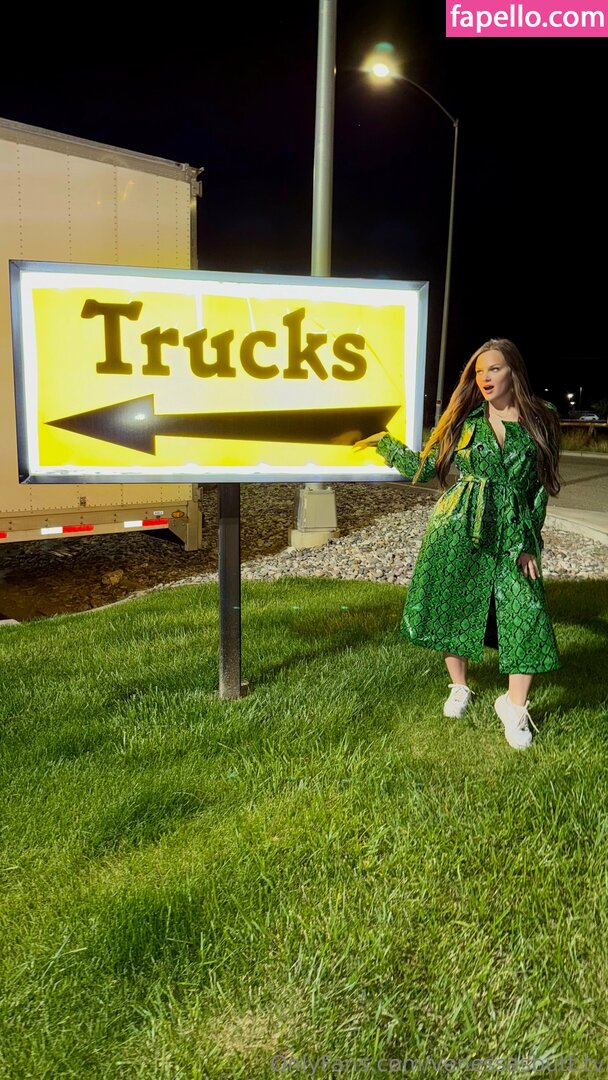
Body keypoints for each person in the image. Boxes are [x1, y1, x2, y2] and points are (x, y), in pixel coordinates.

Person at [353, 338, 561, 750]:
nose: (485, 378)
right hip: (459, 524)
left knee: (527, 609)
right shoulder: (465, 420)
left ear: (514, 371)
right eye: (479, 371)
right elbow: (426, 467)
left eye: (494, 369)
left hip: (512, 530)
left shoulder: (542, 417)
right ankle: (460, 686)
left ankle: (514, 706)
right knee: (455, 603)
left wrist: (528, 542)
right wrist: (385, 444)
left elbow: (538, 488)